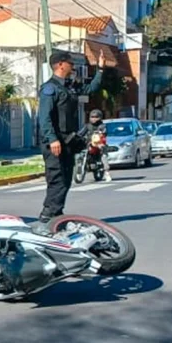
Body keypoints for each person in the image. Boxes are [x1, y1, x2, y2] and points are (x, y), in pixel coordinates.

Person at [34, 50, 106, 235]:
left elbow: (91, 89)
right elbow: (45, 118)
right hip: (55, 143)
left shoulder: (69, 86)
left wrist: (100, 69)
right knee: (57, 180)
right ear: (60, 65)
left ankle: (57, 215)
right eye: (70, 63)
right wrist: (52, 139)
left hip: (68, 141)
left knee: (66, 180)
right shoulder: (49, 89)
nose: (72, 66)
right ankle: (46, 217)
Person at [85, 109, 111, 182]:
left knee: (103, 155)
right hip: (90, 143)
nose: (93, 119)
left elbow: (104, 132)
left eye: (95, 117)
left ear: (99, 117)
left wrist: (101, 133)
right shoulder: (88, 126)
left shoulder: (102, 126)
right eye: (92, 117)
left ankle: (107, 172)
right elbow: (81, 132)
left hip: (99, 143)